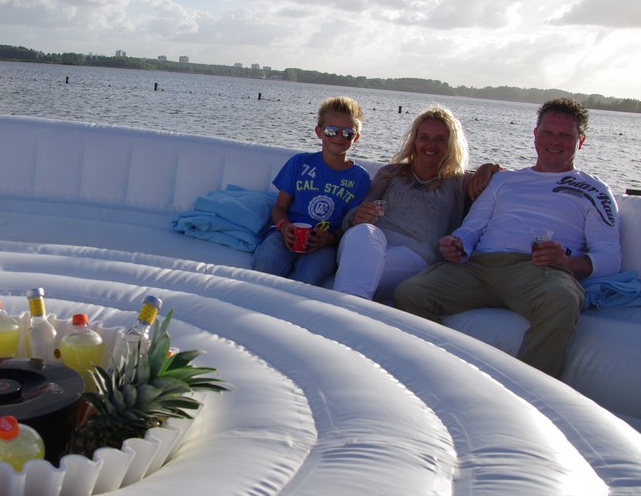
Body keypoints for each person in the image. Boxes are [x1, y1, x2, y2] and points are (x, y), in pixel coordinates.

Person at [393, 98, 621, 378]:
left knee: (562, 299)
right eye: (548, 132)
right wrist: (459, 244)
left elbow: (610, 256)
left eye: (565, 135)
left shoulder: (595, 190)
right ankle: (449, 372)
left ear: (581, 141)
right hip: (480, 267)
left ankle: (527, 389)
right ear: (535, 135)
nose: (555, 141)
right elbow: (472, 228)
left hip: (540, 271)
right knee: (410, 292)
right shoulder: (503, 180)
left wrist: (567, 263)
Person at [332, 106, 497, 300]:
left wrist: (489, 167)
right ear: (414, 140)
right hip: (366, 242)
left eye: (440, 139)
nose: (430, 145)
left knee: (360, 272)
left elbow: (506, 182)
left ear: (451, 144)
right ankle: (348, 306)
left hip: (414, 254)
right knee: (364, 233)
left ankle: (343, 304)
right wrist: (356, 217)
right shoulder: (390, 173)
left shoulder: (460, 183)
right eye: (424, 137)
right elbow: (356, 217)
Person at [252, 96, 371, 285]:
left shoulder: (360, 178)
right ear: (319, 132)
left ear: (355, 137)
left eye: (347, 132)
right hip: (285, 233)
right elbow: (279, 208)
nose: (339, 137)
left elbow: (350, 226)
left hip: (325, 245)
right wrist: (284, 227)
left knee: (307, 279)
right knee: (265, 267)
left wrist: (330, 239)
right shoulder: (299, 163)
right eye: (332, 130)